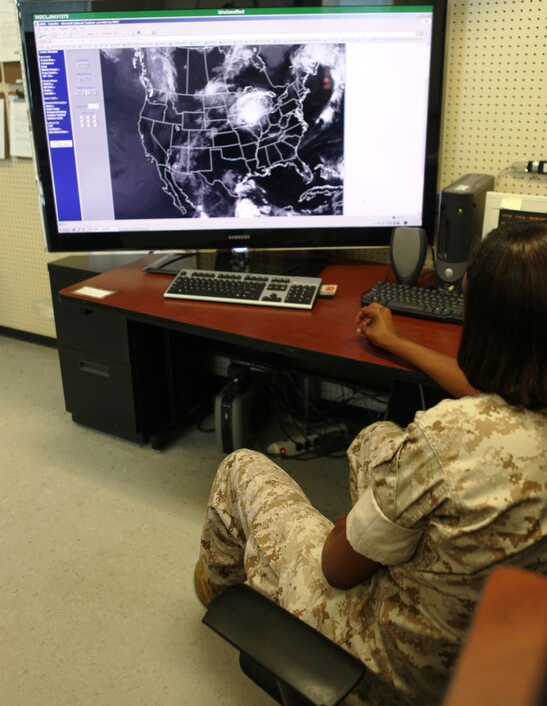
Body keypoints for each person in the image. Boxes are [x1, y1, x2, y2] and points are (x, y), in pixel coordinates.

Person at [195, 221, 547, 705]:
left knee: (240, 469)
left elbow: (336, 570)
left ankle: (221, 589)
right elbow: (498, 396)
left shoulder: (449, 438)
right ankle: (386, 532)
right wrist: (398, 342)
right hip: (502, 652)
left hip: (400, 672)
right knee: (374, 438)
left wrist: (353, 533)